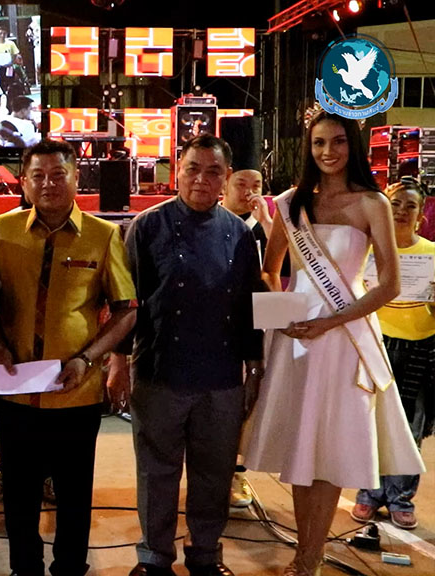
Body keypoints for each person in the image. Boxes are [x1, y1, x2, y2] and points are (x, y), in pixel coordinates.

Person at [242, 110, 426, 576]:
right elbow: (270, 270)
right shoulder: (291, 203)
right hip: (299, 340)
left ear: (353, 146)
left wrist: (332, 321)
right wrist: (282, 315)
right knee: (302, 445)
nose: (328, 151)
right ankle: (306, 554)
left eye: (338, 141)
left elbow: (389, 284)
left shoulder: (373, 203)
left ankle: (310, 556)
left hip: (345, 337)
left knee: (329, 446)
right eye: (319, 142)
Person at [0, 139, 137, 576]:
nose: (48, 183)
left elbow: (126, 309)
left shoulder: (103, 235)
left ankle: (69, 567)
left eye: (58, 174)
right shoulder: (3, 230)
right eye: (38, 176)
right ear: (24, 183)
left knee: (73, 493)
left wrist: (89, 359)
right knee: (19, 492)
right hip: (17, 388)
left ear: (76, 178)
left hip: (76, 390)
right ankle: (24, 567)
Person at [111, 133, 264, 576]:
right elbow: (127, 302)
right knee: (156, 471)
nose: (201, 179)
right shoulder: (147, 226)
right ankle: (154, 557)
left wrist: (255, 363)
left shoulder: (239, 234)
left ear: (226, 178)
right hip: (159, 369)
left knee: (214, 472)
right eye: (192, 169)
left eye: (213, 171)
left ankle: (205, 554)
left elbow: (249, 304)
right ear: (177, 172)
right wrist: (118, 361)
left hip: (221, 375)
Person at [351, 177, 435, 530]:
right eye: (395, 203)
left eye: (410, 206)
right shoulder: (367, 251)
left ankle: (401, 497)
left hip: (420, 349)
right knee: (371, 421)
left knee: (410, 426)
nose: (401, 211)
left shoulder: (432, 253)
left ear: (421, 215)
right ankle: (368, 493)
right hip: (376, 343)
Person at [219, 166, 270, 510]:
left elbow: (281, 274)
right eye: (241, 183)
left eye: (257, 185)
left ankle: (236, 472)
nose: (249, 191)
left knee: (248, 404)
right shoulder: (210, 222)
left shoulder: (264, 228)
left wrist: (267, 220)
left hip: (254, 324)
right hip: (215, 327)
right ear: (225, 183)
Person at [0, 26, 20, 95]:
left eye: (4, 33)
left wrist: (12, 63)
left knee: (9, 83)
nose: (2, 35)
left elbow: (15, 54)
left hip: (9, 68)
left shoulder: (11, 43)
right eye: (0, 33)